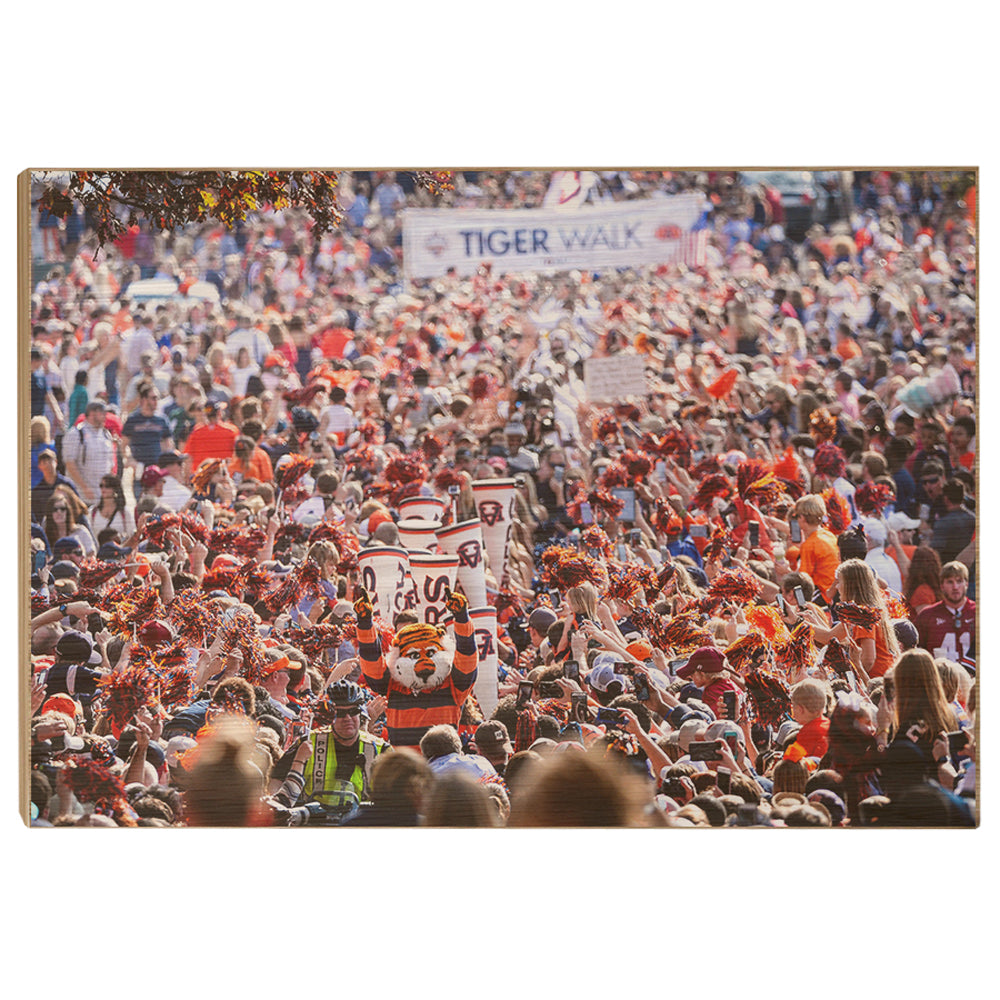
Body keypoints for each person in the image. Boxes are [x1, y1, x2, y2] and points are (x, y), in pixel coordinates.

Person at [271, 681, 387, 813]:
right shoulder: (308, 743)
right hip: (314, 823)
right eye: (341, 713)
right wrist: (278, 808)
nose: (348, 718)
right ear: (331, 715)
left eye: (353, 711)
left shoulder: (380, 749)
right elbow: (276, 779)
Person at [915, 561, 974, 664]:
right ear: (942, 586)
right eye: (950, 582)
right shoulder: (927, 615)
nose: (955, 587)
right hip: (939, 677)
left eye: (959, 581)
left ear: (966, 584)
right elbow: (916, 651)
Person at [61, 401, 117, 505]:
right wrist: (84, 487)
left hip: (101, 497)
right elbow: (70, 463)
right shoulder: (76, 434)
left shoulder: (106, 434)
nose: (105, 416)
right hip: (81, 496)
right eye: (102, 413)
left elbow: (110, 464)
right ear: (92, 413)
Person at [791, 494, 840, 594]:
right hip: (836, 591)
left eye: (797, 516)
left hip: (823, 594)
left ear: (802, 518)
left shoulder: (810, 544)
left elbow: (803, 580)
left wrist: (785, 572)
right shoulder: (829, 535)